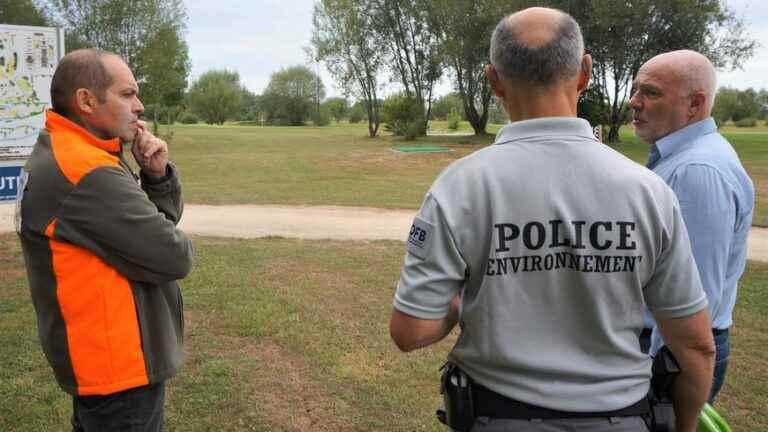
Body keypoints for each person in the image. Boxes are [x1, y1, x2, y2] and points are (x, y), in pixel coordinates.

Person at [389, 8, 715, 432]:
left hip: (496, 416)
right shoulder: (648, 192)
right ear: (584, 72)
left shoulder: (459, 187)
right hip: (622, 417)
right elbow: (695, 344)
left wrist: (464, 301)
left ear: (493, 81)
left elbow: (411, 330)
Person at [15, 48, 193, 431]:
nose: (139, 106)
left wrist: (157, 176)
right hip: (118, 369)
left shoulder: (68, 152)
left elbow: (147, 235)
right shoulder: (87, 170)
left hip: (102, 361)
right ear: (86, 101)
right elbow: (174, 256)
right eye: (127, 94)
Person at [630, 50, 754, 403]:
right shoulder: (682, 160)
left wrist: (659, 378)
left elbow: (692, 303)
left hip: (669, 353)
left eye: (651, 92)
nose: (633, 102)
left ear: (695, 104)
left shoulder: (697, 171)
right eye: (635, 89)